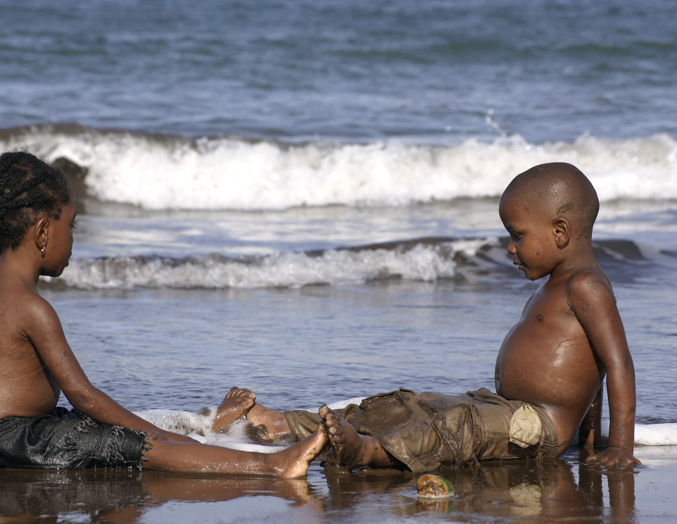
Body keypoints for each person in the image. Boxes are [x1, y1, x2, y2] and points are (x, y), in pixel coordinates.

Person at [213, 162, 640, 472]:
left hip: (536, 427)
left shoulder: (586, 286)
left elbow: (616, 364)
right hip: (504, 409)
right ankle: (287, 425)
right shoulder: (557, 284)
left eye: (517, 236)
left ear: (561, 232)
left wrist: (617, 445)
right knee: (413, 404)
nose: (510, 248)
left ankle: (370, 453)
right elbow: (589, 369)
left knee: (457, 425)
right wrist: (589, 438)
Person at [0, 151, 326, 477]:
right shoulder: (33, 308)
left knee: (114, 430)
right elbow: (85, 396)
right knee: (145, 447)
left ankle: (206, 432)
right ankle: (273, 465)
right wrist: (159, 436)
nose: (73, 237)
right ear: (41, 233)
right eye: (71, 226)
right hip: (19, 442)